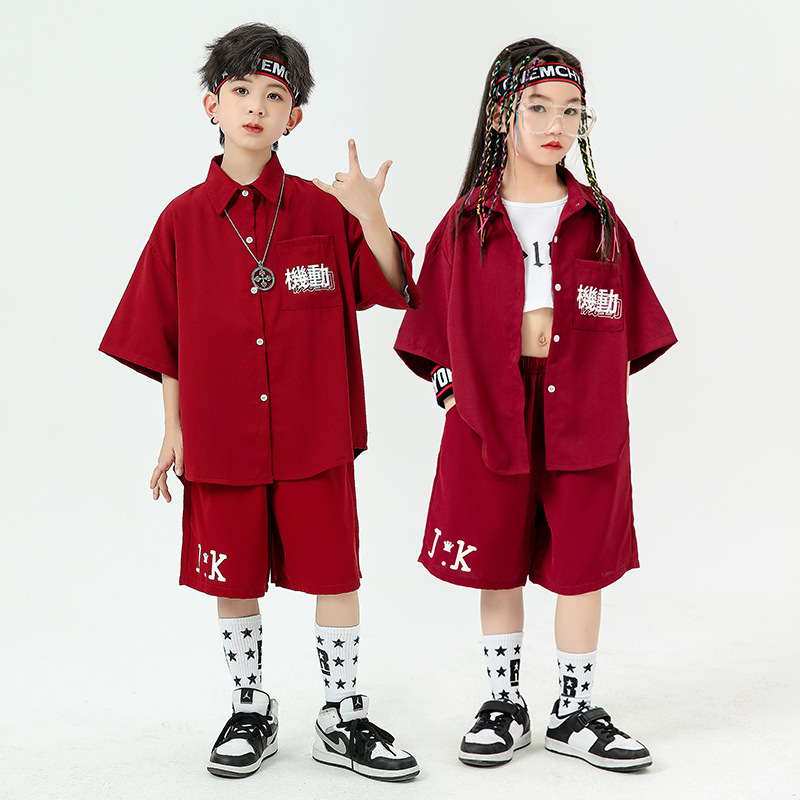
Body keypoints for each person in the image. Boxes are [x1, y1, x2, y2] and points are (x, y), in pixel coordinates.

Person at [100, 22, 420, 782]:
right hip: (221, 434)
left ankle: (342, 714)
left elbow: (395, 285)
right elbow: (166, 338)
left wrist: (371, 216)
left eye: (274, 95)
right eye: (240, 90)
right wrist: (173, 430)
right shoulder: (181, 221)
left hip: (315, 431)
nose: (255, 106)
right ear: (211, 104)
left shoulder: (322, 210)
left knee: (336, 574)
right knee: (234, 578)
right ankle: (250, 707)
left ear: (293, 117)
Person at [394, 38, 676, 772]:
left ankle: (574, 711)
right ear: (501, 115)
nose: (557, 125)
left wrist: (596, 390)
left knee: (583, 562)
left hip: (582, 408)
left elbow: (631, 323)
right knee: (496, 558)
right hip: (489, 407)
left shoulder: (598, 220)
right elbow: (429, 325)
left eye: (572, 110)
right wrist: (454, 393)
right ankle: (504, 703)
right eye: (539, 107)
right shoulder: (468, 220)